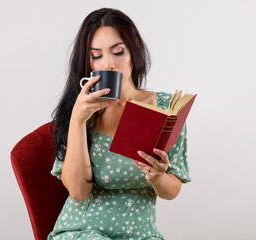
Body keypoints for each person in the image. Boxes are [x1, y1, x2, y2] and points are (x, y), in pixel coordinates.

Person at [48, 8, 190, 240]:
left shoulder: (165, 109)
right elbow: (78, 191)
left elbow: (172, 189)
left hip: (140, 234)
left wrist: (157, 177)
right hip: (84, 231)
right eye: (97, 55)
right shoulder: (83, 111)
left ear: (133, 48)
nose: (108, 64)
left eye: (117, 52)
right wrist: (77, 119)